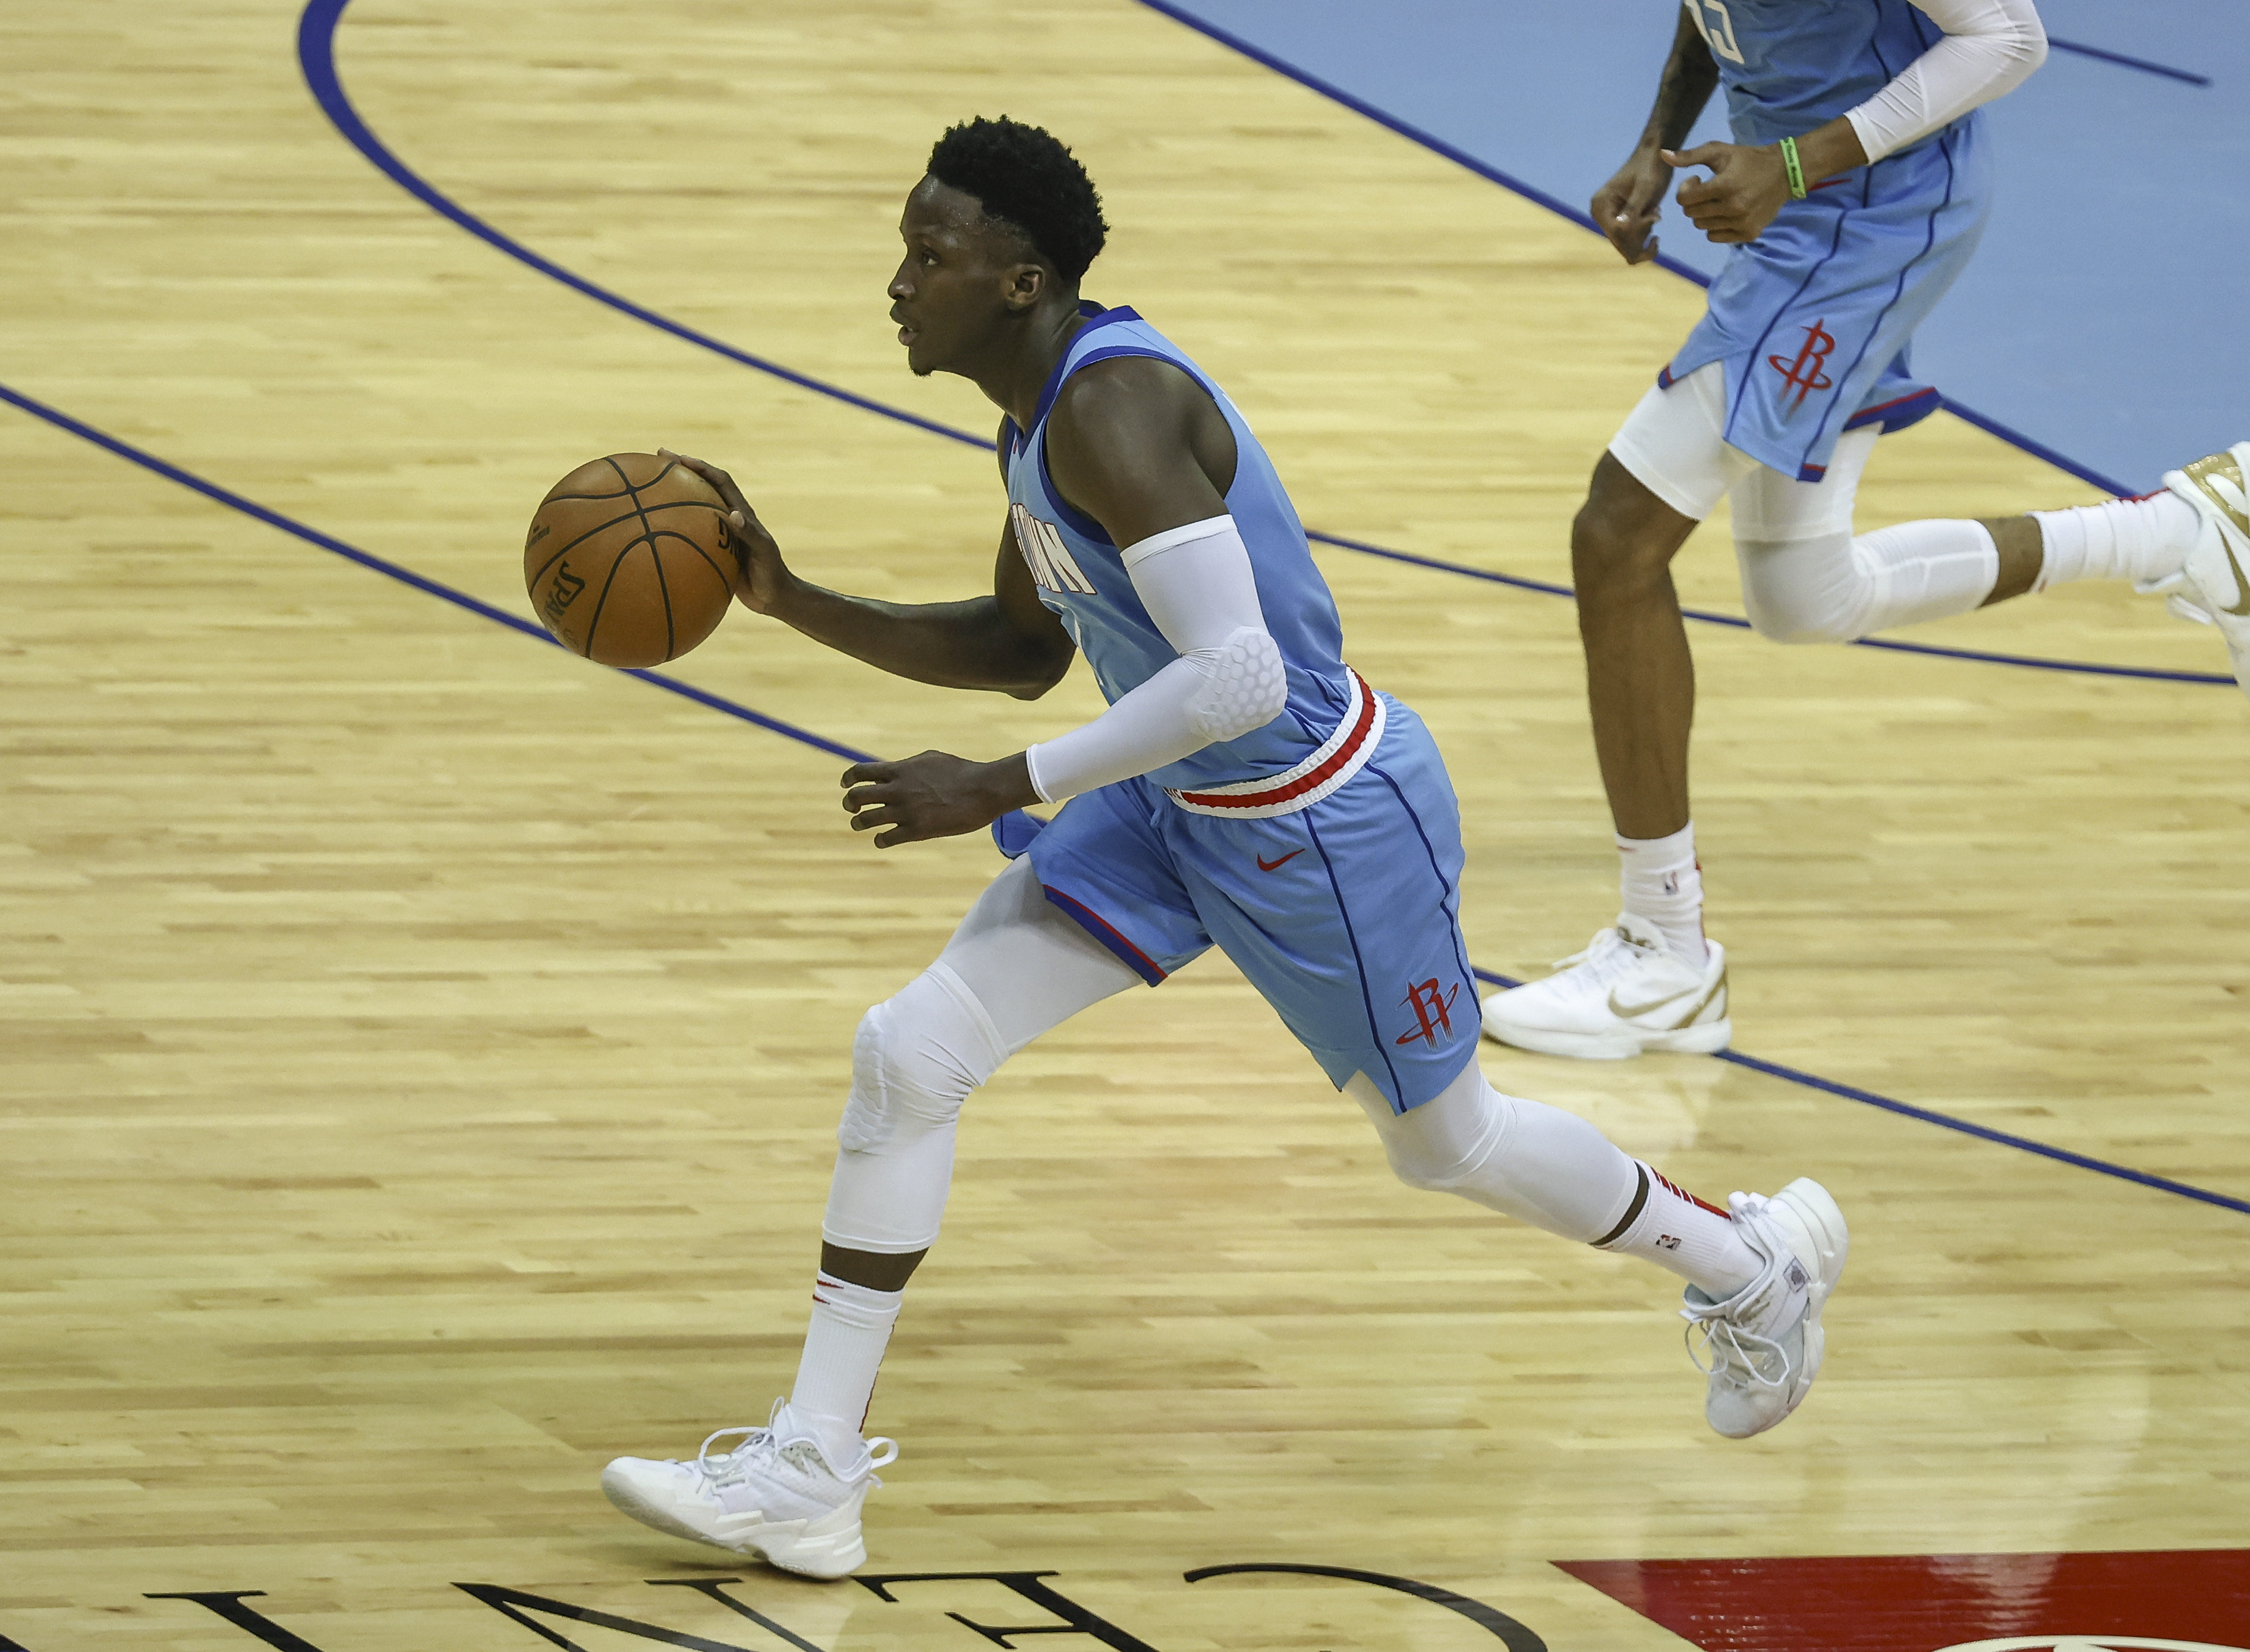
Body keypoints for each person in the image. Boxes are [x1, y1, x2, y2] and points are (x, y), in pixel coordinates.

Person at [596, 117, 1848, 1579]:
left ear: (1020, 281)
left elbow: (1242, 677)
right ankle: (812, 1471)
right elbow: (1021, 650)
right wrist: (790, 597)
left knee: (1450, 1147)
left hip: (1316, 817)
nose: (900, 282)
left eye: (929, 256)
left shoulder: (1110, 406)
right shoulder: (1030, 420)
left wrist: (994, 785)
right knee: (911, 1053)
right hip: (1173, 798)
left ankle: (1748, 1267)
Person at [1481, 0, 2250, 1062]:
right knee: (1802, 597)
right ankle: (2182, 532)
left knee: (1616, 538)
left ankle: (1665, 955)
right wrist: (1656, 146)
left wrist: (1793, 165)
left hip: (1866, 216)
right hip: (1803, 206)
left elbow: (2008, 38)